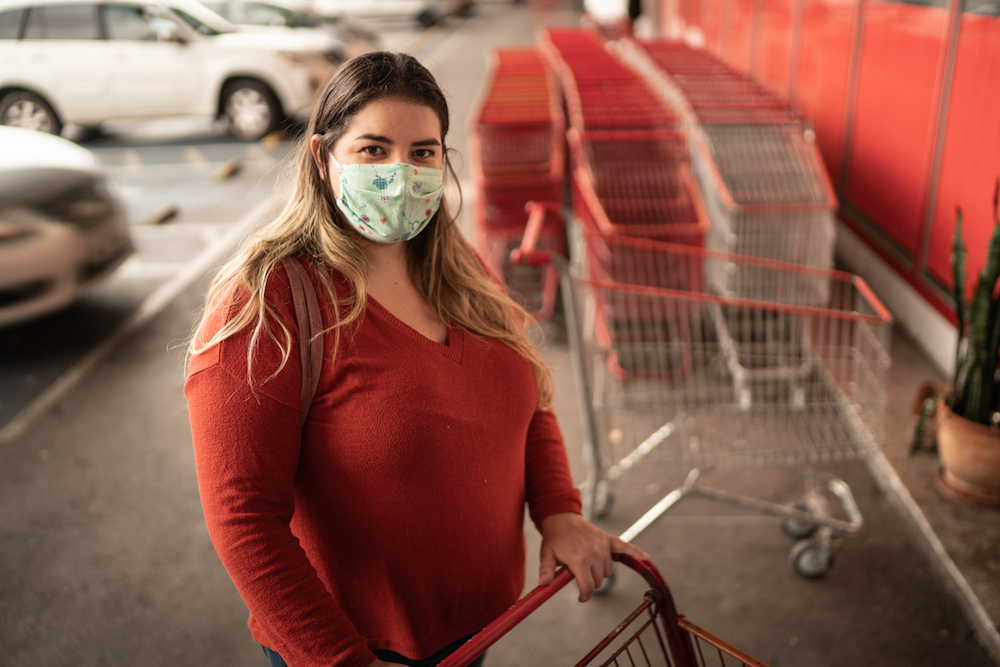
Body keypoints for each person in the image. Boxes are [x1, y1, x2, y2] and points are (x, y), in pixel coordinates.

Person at [184, 50, 648, 667]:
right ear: (324, 160)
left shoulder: (461, 270)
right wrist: (342, 660)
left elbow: (527, 398)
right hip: (359, 649)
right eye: (373, 150)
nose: (400, 174)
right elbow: (243, 517)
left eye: (422, 153)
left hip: (476, 629)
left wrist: (559, 509)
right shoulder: (270, 301)